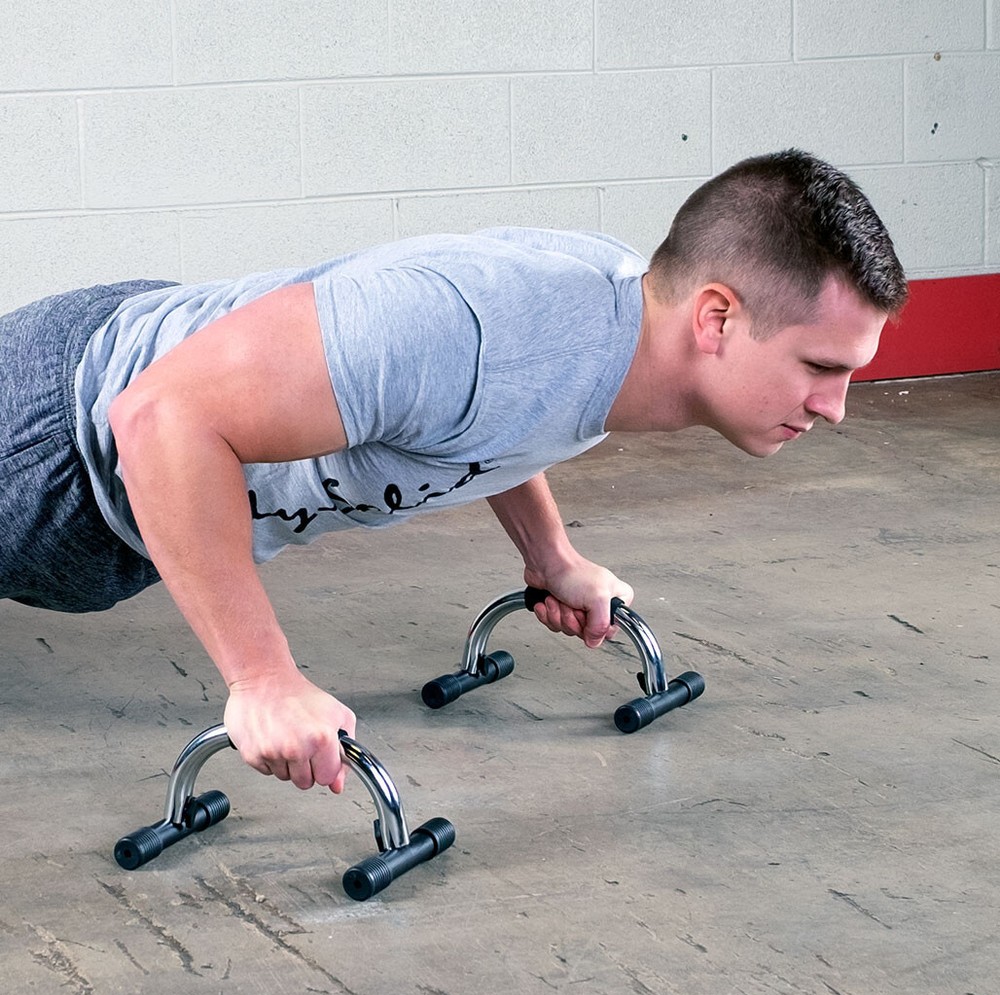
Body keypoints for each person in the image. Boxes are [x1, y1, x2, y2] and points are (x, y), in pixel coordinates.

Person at [0, 149, 908, 796]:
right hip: (53, 451)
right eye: (820, 367)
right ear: (716, 319)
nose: (835, 407)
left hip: (116, 485)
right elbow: (160, 418)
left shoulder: (622, 327)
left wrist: (550, 556)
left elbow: (503, 413)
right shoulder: (464, 325)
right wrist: (261, 678)